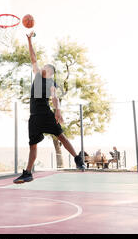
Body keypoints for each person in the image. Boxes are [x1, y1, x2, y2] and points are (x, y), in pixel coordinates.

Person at [14, 31, 86, 184]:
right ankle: (28, 173)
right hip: (34, 117)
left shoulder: (51, 83)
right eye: (44, 66)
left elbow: (54, 97)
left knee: (61, 136)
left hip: (46, 114)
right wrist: (29, 41)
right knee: (32, 145)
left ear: (51, 72)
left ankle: (78, 159)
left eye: (47, 67)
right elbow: (33, 57)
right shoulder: (38, 75)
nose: (44, 67)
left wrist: (58, 110)